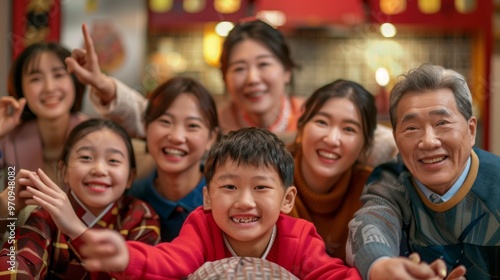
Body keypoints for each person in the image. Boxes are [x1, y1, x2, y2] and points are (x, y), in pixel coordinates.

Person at [70, 21, 396, 168]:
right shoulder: (213, 123)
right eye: (239, 68)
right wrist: (104, 85)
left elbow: (373, 140)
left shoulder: (317, 118)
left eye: (263, 64)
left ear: (285, 71)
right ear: (225, 77)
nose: (252, 78)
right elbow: (153, 120)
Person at [75, 127, 363, 279]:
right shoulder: (202, 226)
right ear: (208, 197)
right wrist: (127, 257)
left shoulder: (298, 238)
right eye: (229, 187)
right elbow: (171, 263)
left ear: (287, 199)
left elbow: (333, 276)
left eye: (261, 187)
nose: (244, 201)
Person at [346, 63, 497, 279]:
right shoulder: (391, 180)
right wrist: (380, 267)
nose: (428, 142)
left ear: (471, 130)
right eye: (412, 128)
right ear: (396, 138)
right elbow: (370, 223)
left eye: (442, 123)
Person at [0, 118, 160, 279]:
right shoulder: (47, 214)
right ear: (63, 171)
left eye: (113, 161)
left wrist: (75, 229)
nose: (99, 169)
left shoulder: (140, 215)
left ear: (130, 177)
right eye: (86, 157)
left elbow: (144, 274)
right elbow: (16, 262)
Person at [0, 42, 86, 238]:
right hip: (24, 251)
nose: (49, 87)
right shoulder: (9, 137)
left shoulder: (96, 135)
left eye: (58, 75)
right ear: (21, 88)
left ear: (75, 81)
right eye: (36, 78)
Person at [287, 79, 377, 262]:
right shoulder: (269, 175)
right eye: (322, 122)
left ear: (365, 146)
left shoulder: (372, 189)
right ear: (302, 128)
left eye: (349, 129)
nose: (332, 139)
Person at [127, 76, 220, 241]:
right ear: (146, 127)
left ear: (211, 138)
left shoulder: (224, 199)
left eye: (192, 126)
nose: (177, 137)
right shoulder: (130, 199)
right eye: (165, 121)